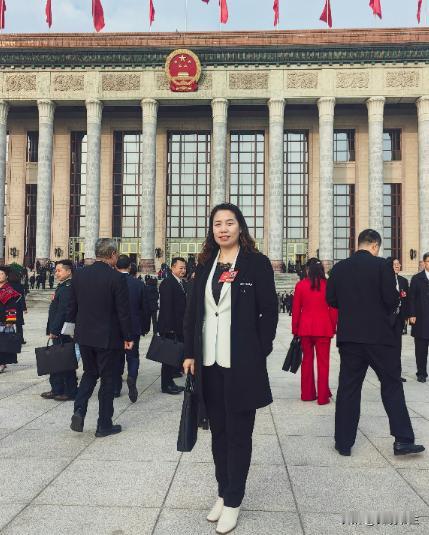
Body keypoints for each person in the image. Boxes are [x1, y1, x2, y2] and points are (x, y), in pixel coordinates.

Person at [183, 203, 278, 535]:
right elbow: (195, 312)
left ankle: (234, 501)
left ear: (241, 227)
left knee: (239, 435)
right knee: (218, 434)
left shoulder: (256, 264)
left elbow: (269, 313)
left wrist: (257, 350)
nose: (223, 229)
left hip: (242, 365)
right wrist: (190, 352)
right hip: (209, 362)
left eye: (229, 223)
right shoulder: (206, 265)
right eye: (217, 224)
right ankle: (223, 492)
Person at [326, 229, 424, 457]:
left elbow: (330, 299)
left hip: (350, 337)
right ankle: (402, 440)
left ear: (358, 244)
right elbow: (391, 300)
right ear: (374, 246)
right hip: (380, 338)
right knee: (391, 386)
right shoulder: (382, 266)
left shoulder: (339, 268)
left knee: (349, 389)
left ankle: (343, 443)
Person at [67, 238, 133, 437]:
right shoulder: (116, 278)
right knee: (107, 380)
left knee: (89, 373)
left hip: (84, 336)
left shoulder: (79, 275)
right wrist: (128, 336)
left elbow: (72, 307)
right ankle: (104, 424)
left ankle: (79, 409)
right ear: (113, 255)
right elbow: (123, 312)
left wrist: (70, 331)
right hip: (108, 338)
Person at [292, 258, 338, 405]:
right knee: (323, 364)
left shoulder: (300, 285)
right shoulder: (329, 285)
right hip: (324, 329)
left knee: (306, 362)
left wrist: (295, 329)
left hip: (305, 329)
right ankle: (323, 397)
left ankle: (307, 394)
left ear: (308, 270)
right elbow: (334, 309)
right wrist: (332, 326)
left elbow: (296, 310)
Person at [114, 254, 150, 402]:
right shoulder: (139, 284)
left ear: (116, 266)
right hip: (133, 327)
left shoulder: (111, 282)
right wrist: (145, 327)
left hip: (115, 327)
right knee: (133, 356)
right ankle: (132, 377)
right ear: (130, 267)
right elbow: (145, 309)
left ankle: (116, 388)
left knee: (116, 357)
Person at [41, 260, 77, 401]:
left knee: (64, 361)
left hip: (62, 331)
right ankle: (56, 389)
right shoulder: (63, 286)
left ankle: (70, 391)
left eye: (59, 270)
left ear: (68, 272)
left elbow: (63, 312)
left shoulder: (68, 287)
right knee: (57, 361)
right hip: (58, 329)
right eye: (56, 270)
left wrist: (54, 330)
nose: (56, 273)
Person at [157, 257, 188, 395]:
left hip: (178, 326)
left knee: (173, 357)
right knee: (168, 359)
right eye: (180, 268)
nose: (183, 270)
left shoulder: (180, 283)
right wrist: (169, 328)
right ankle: (166, 385)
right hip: (170, 327)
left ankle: (170, 382)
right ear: (173, 267)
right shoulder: (168, 283)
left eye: (184, 268)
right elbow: (166, 308)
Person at [408, 252, 429, 383]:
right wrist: (412, 314)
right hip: (421, 319)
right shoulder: (416, 278)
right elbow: (411, 298)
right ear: (424, 263)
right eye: (428, 261)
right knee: (421, 349)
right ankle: (421, 373)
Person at [0, 266, 22, 373]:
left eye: (2, 274)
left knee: (3, 343)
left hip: (4, 320)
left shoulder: (9, 290)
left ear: (6, 276)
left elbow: (12, 306)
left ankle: (2, 363)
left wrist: (10, 320)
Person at [392, 258, 409, 382]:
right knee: (387, 347)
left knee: (398, 347)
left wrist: (407, 316)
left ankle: (397, 374)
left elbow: (406, 300)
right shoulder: (385, 280)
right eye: (395, 264)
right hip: (387, 320)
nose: (398, 266)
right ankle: (387, 373)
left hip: (399, 319)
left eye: (399, 264)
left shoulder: (404, 281)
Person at [8, 269, 27, 345]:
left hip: (10, 307)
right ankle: (20, 339)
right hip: (18, 307)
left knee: (10, 323)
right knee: (19, 325)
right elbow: (22, 298)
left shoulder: (7, 285)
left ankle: (10, 339)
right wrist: (24, 308)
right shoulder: (20, 286)